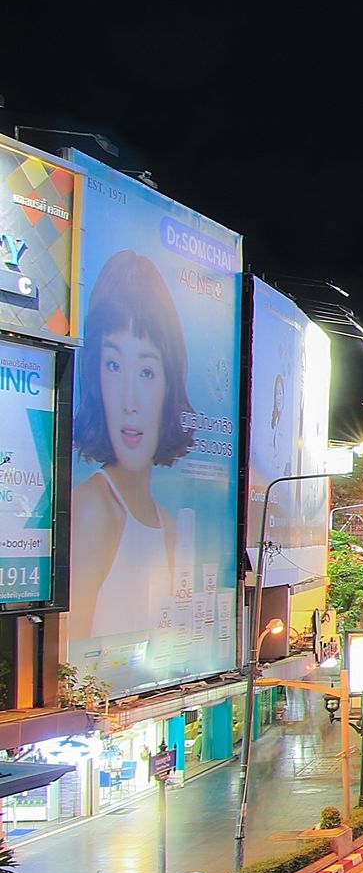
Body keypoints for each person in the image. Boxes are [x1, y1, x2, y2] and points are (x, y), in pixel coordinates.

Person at [68, 252, 196, 655]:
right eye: (112, 364)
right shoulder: (93, 509)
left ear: (168, 383)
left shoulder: (169, 526)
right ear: (94, 375)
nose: (129, 400)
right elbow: (66, 665)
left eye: (145, 371)